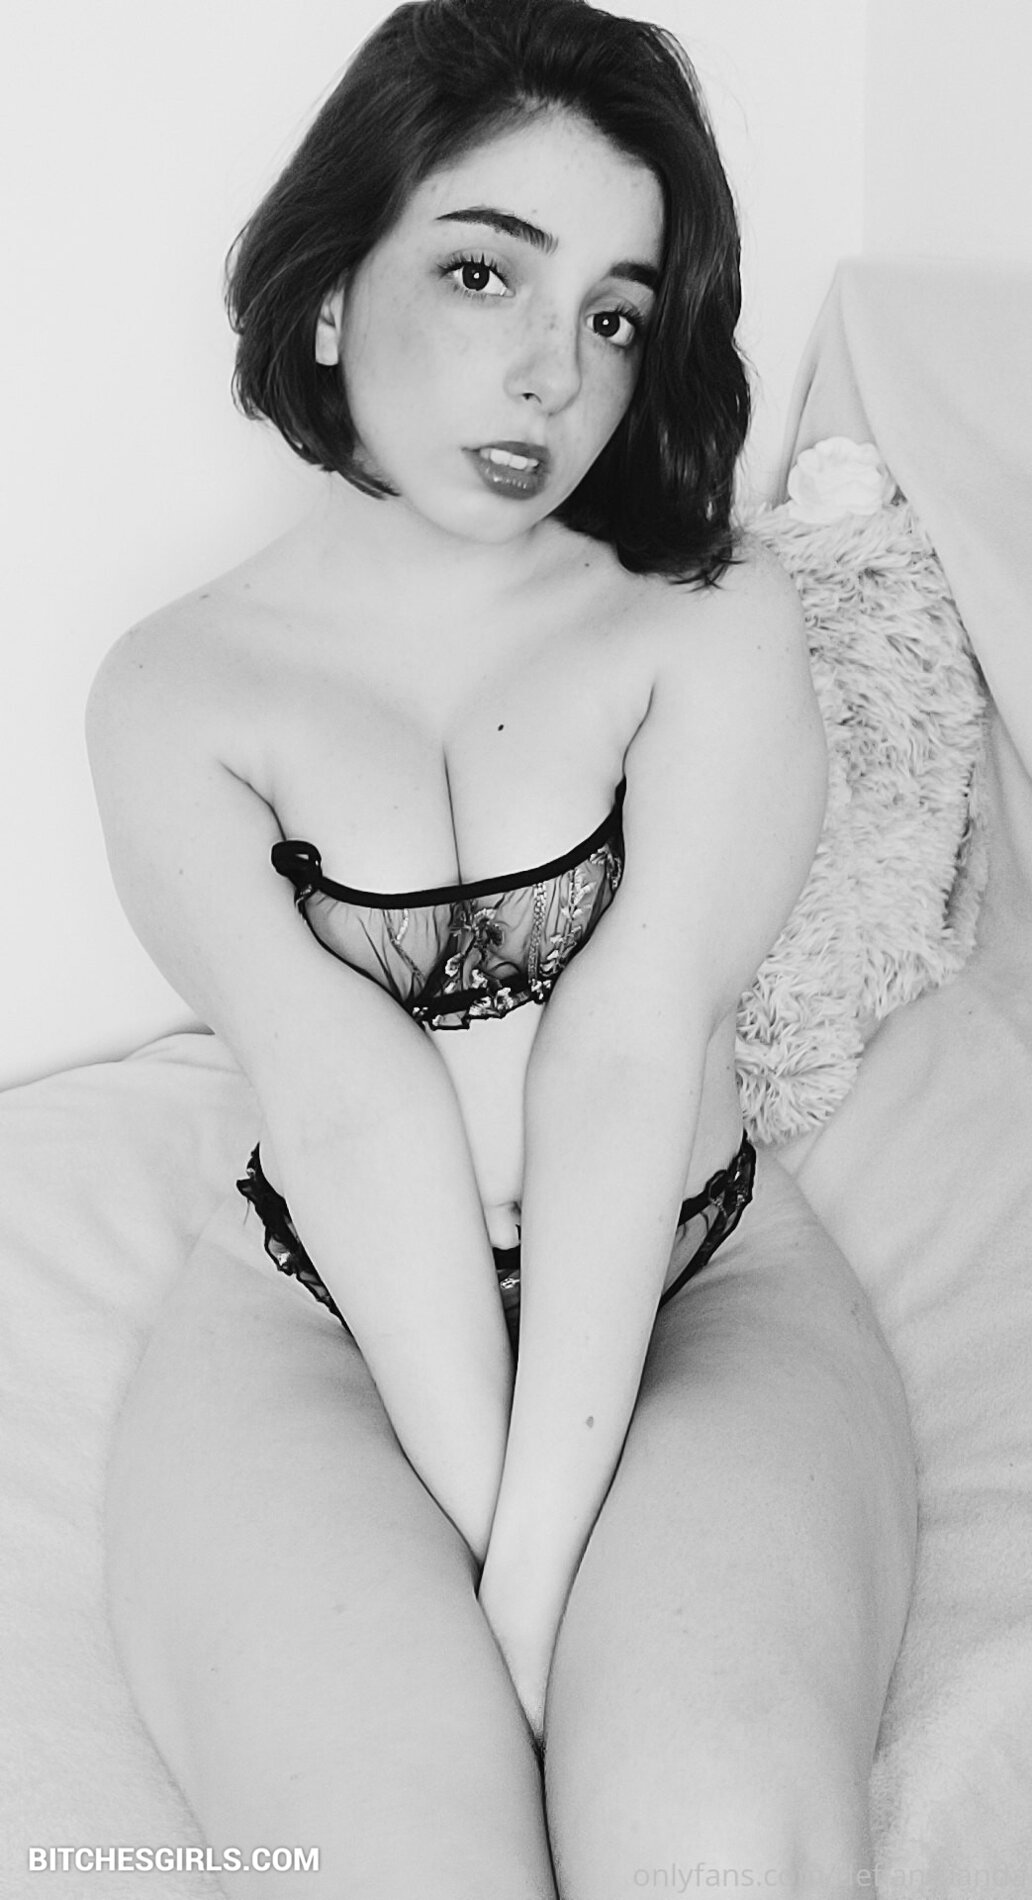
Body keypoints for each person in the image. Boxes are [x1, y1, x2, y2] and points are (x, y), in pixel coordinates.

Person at [86, 2, 917, 1893]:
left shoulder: (706, 616)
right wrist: (487, 1569)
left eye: (615, 315)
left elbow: (631, 1051)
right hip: (316, 1318)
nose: (554, 375)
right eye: (485, 273)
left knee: (715, 1846)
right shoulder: (173, 690)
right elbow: (349, 1106)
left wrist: (535, 1577)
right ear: (329, 294)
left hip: (700, 1292)